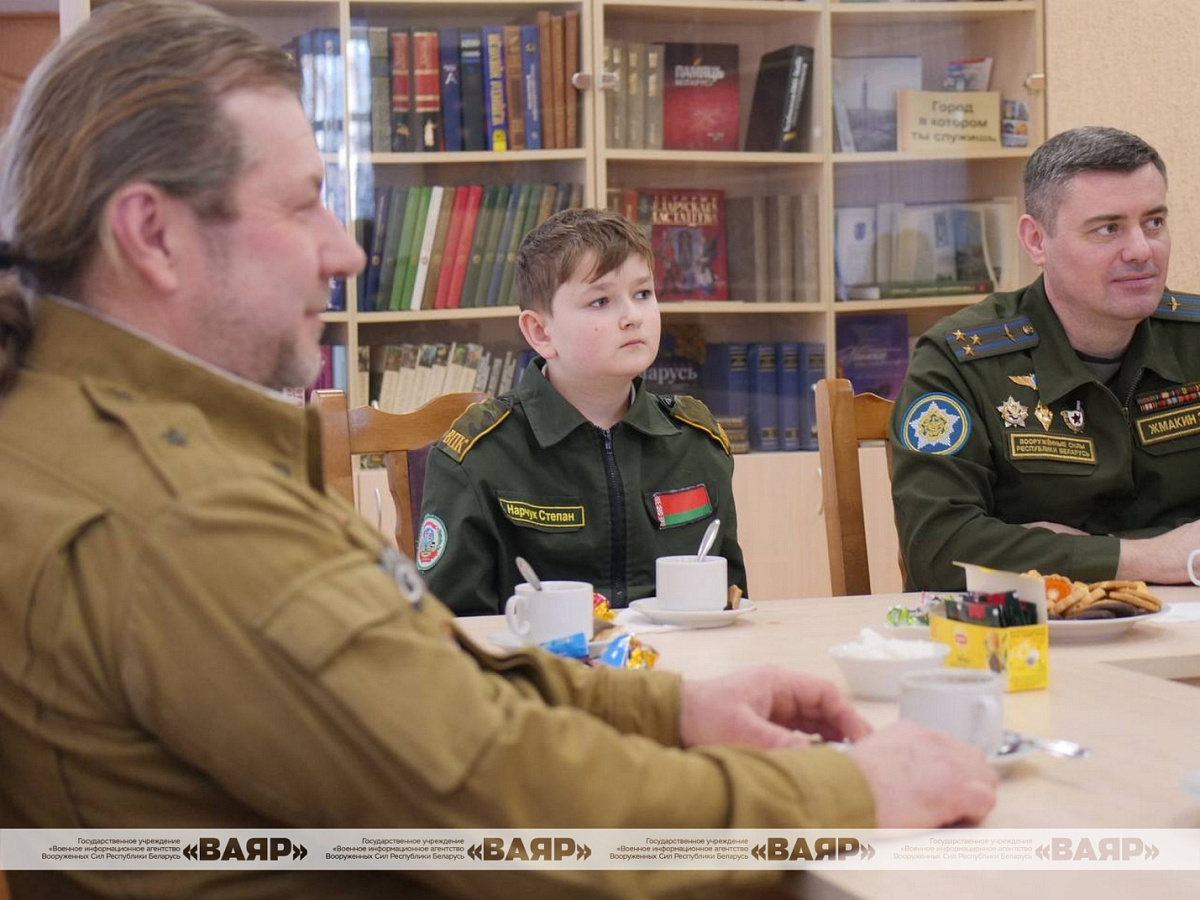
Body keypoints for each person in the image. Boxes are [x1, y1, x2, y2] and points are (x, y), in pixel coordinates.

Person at [0, 3, 996, 897]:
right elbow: (508, 802)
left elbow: (421, 682)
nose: (345, 251)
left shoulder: (80, 431)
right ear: (152, 234)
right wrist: (847, 790)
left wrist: (672, 712)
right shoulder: (182, 509)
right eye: (301, 204)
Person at [890, 125, 1200, 590]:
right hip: (1026, 630)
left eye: (1154, 222)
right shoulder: (960, 360)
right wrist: (1151, 557)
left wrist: (1080, 552)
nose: (1141, 250)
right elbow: (938, 551)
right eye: (1108, 228)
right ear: (1036, 240)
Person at [418, 207, 749, 615]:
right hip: (537, 656)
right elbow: (449, 629)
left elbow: (731, 601)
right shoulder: (479, 458)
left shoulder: (698, 445)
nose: (633, 317)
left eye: (643, 294)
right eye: (600, 301)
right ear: (540, 332)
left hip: (676, 656)